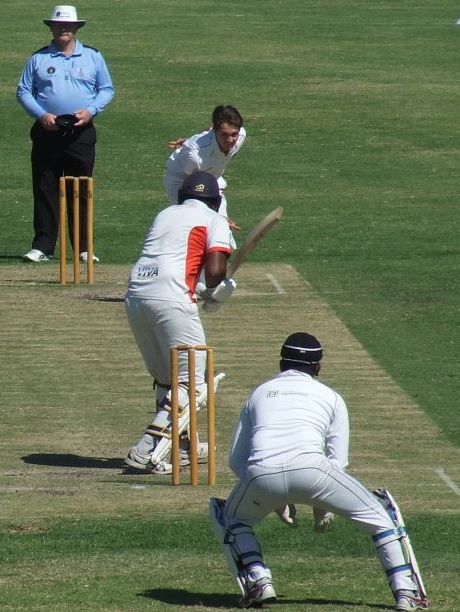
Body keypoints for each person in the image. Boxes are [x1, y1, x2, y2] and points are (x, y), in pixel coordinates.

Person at [209, 332, 428, 611]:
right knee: (383, 520)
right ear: (318, 367)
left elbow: (236, 460)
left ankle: (259, 579)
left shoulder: (259, 393)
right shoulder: (331, 397)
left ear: (281, 364)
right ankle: (406, 592)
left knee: (230, 519)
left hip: (260, 474)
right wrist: (322, 504)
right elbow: (338, 463)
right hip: (315, 472)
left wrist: (273, 497)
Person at [124, 171, 236, 474]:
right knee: (194, 385)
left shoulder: (165, 214)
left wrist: (204, 290)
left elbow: (171, 260)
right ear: (215, 201)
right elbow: (214, 270)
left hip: (136, 296)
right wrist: (218, 288)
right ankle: (146, 448)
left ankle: (182, 448)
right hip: (171, 299)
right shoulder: (215, 220)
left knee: (168, 381)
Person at [16, 5, 114, 263]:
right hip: (47, 130)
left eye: (68, 26)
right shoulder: (38, 58)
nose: (63, 29)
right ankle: (43, 247)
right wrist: (41, 114)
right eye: (59, 25)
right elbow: (24, 91)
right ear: (51, 27)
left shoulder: (93, 56)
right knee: (45, 186)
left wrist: (91, 111)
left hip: (80, 132)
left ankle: (83, 248)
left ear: (76, 28)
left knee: (80, 188)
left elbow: (106, 89)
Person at [163, 105, 246, 229]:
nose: (230, 140)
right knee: (192, 223)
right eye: (224, 135)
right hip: (182, 180)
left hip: (211, 176)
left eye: (234, 134)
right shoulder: (195, 156)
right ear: (215, 132)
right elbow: (191, 190)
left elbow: (210, 130)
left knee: (222, 228)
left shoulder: (241, 135)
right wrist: (215, 216)